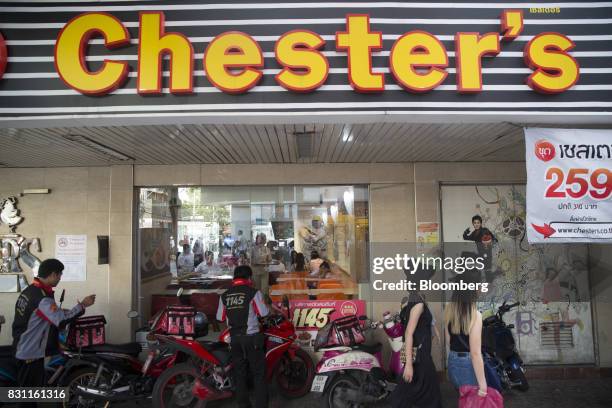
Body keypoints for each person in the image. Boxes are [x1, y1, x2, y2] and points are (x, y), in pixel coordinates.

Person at [12, 259, 95, 408]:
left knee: (29, 393)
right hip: (30, 353)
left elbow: (43, 315)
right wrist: (83, 305)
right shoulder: (42, 297)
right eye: (59, 275)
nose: (59, 278)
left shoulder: (31, 291)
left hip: (22, 347)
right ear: (52, 274)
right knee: (28, 398)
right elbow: (61, 321)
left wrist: (63, 311)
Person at [216, 265, 269, 408]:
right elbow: (264, 313)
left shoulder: (225, 295)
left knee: (240, 374)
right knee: (258, 374)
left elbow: (219, 318)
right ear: (249, 278)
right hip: (252, 338)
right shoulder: (254, 293)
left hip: (235, 340)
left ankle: (243, 405)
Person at [391, 290, 442, 408]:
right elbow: (408, 333)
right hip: (420, 357)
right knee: (423, 395)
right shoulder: (418, 304)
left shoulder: (415, 302)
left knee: (414, 393)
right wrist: (409, 365)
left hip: (421, 356)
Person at [445, 289, 488, 399]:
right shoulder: (475, 315)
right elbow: (475, 353)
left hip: (452, 360)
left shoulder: (449, 312)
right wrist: (483, 385)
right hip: (467, 363)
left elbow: (449, 341)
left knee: (464, 399)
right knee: (472, 400)